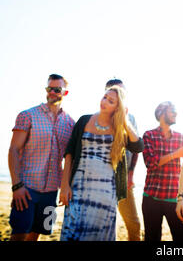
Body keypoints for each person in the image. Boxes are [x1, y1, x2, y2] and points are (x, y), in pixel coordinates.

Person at [59, 85, 144, 241]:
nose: (104, 101)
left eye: (111, 101)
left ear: (117, 107)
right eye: (105, 97)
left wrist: (124, 120)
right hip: (79, 186)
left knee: (99, 235)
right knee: (72, 231)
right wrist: (65, 186)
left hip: (106, 191)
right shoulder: (84, 120)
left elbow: (138, 147)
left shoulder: (120, 128)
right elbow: (69, 153)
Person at [8, 74, 75, 241]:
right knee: (19, 234)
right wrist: (16, 186)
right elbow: (14, 150)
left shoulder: (70, 124)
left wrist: (66, 186)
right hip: (26, 188)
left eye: (57, 89)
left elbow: (69, 158)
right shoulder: (28, 115)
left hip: (51, 191)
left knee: (37, 233)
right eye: (49, 88)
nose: (52, 92)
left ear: (65, 93)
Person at [142, 101, 183, 241]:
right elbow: (150, 163)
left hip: (174, 199)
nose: (176, 114)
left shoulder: (181, 138)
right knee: (152, 238)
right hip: (151, 198)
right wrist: (175, 154)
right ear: (161, 114)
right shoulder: (149, 135)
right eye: (172, 111)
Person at [105, 78, 142, 241]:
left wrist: (131, 174)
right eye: (115, 91)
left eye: (122, 91)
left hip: (123, 178)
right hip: (103, 178)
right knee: (105, 224)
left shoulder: (131, 118)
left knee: (133, 224)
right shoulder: (97, 118)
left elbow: (136, 148)